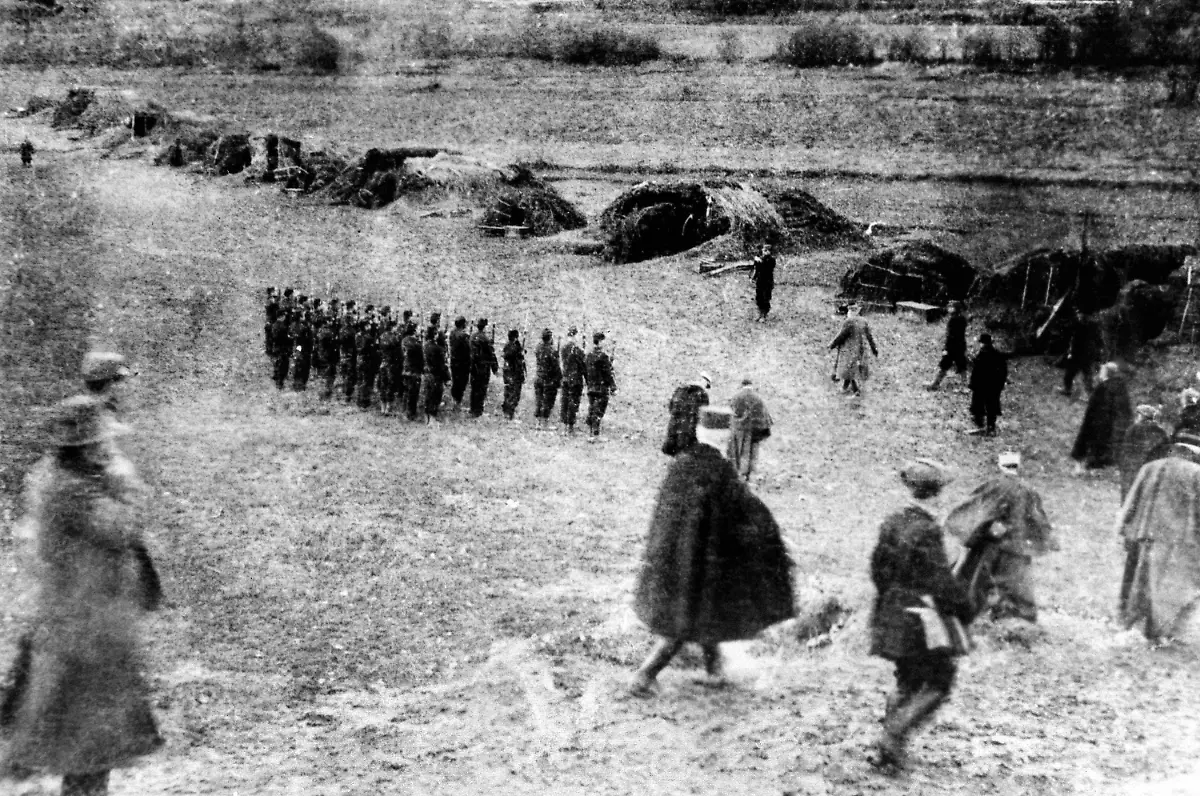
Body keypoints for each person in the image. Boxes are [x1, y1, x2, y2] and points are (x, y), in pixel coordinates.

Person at [1, 396, 163, 796]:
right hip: (85, 629)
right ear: (84, 446)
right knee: (89, 739)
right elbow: (122, 528)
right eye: (99, 442)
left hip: (80, 620)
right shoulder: (72, 489)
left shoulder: (59, 476)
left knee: (87, 738)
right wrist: (124, 479)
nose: (106, 448)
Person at [631, 406, 795, 696]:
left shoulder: (681, 464)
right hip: (701, 565)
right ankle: (645, 676)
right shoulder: (719, 470)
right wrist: (771, 538)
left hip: (674, 562)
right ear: (724, 436)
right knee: (683, 624)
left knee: (702, 615)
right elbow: (748, 512)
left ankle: (714, 670)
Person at [869, 459, 987, 771]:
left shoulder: (892, 521)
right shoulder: (927, 530)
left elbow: (877, 569)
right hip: (917, 616)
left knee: (907, 678)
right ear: (936, 494)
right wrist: (964, 607)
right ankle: (893, 736)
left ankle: (887, 750)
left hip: (891, 611)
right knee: (940, 679)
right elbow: (940, 581)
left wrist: (888, 600)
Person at [944, 452, 1056, 623]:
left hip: (993, 545)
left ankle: (969, 613)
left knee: (976, 582)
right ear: (1017, 467)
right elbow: (1039, 521)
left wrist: (972, 538)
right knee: (1017, 588)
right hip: (1018, 548)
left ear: (1000, 466)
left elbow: (979, 513)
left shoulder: (995, 486)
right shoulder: (1029, 490)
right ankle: (1017, 619)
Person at [1117, 456, 1200, 643]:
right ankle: (1159, 632)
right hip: (1178, 540)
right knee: (1168, 587)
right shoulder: (1196, 472)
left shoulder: (1150, 466)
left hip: (1144, 532)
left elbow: (1132, 499)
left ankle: (1135, 625)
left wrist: (1125, 526)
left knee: (1141, 582)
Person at [1070, 362, 1133, 472]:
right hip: (1115, 426)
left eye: (1101, 371)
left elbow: (1092, 409)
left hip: (1098, 423)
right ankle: (1097, 466)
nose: (1099, 373)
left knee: (1087, 441)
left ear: (1106, 374)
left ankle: (1084, 466)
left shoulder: (1102, 388)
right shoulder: (1121, 388)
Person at [727, 377, 772, 482]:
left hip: (742, 429)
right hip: (757, 429)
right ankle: (752, 474)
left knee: (743, 451)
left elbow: (733, 411)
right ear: (751, 386)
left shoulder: (737, 396)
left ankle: (742, 475)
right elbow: (765, 414)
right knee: (754, 452)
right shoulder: (758, 397)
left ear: (742, 385)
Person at [1120, 406, 1169, 498]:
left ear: (1141, 416)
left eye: (1137, 415)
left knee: (1130, 495)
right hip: (1153, 468)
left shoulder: (1133, 429)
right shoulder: (1161, 431)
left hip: (1134, 468)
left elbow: (1126, 450)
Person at [829, 304, 877, 396]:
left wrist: (831, 345)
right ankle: (844, 388)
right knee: (851, 369)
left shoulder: (849, 321)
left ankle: (856, 390)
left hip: (848, 349)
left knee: (850, 370)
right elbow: (869, 336)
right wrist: (874, 348)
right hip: (860, 349)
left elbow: (841, 336)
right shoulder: (863, 321)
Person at [661, 373, 711, 457]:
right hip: (690, 431)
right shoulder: (702, 395)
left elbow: (670, 407)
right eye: (708, 386)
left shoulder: (679, 391)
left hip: (675, 427)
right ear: (705, 382)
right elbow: (703, 415)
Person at [968, 333, 1008, 436]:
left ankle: (981, 427)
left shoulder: (982, 355)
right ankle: (991, 428)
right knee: (992, 406)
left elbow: (976, 372)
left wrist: (972, 384)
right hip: (994, 386)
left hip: (982, 385)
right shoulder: (997, 354)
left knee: (978, 405)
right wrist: (1001, 384)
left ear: (982, 343)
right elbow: (1003, 370)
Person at [926, 301, 968, 391]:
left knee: (945, 366)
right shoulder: (962, 319)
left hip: (952, 346)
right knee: (961, 367)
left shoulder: (953, 320)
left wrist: (946, 348)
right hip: (960, 346)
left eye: (951, 307)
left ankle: (935, 384)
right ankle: (964, 386)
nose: (949, 308)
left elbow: (950, 336)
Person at [1061, 310, 1101, 397]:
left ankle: (1068, 389)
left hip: (1078, 352)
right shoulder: (1094, 325)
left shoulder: (1078, 324)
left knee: (1071, 373)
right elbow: (1098, 340)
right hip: (1087, 352)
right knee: (1086, 374)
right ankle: (1090, 393)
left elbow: (1071, 336)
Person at [585, 332, 617, 439]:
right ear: (600, 342)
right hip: (601, 388)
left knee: (592, 409)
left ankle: (591, 434)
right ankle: (595, 436)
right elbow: (607, 374)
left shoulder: (589, 355)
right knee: (599, 412)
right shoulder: (603, 356)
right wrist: (613, 387)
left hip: (591, 387)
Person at [468, 318, 498, 418]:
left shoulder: (472, 337)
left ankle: (473, 409)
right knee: (481, 390)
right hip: (483, 368)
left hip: (473, 367)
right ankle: (478, 411)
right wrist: (495, 368)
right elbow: (491, 354)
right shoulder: (485, 339)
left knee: (474, 388)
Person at [532, 329, 562, 430]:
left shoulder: (538, 348)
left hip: (539, 377)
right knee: (548, 401)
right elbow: (556, 367)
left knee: (539, 400)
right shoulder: (552, 351)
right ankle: (545, 424)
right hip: (549, 379)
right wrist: (559, 379)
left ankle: (537, 423)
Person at [559, 327, 587, 432]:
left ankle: (564, 426)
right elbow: (583, 366)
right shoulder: (577, 350)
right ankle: (570, 426)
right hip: (575, 380)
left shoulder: (563, 348)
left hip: (566, 377)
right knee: (573, 403)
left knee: (565, 401)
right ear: (575, 336)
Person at [421, 327, 450, 423]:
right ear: (434, 335)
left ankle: (426, 419)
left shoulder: (425, 346)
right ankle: (432, 420)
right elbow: (442, 365)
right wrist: (447, 378)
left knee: (427, 397)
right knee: (435, 398)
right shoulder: (438, 349)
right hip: (436, 376)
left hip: (427, 375)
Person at [377, 319, 402, 415]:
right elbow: (398, 353)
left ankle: (382, 407)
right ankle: (388, 407)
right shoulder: (395, 337)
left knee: (383, 385)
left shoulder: (382, 336)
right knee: (390, 385)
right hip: (391, 364)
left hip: (383, 363)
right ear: (392, 327)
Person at [401, 322, 425, 421]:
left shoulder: (404, 340)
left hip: (406, 368)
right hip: (415, 371)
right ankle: (410, 414)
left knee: (406, 392)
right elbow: (421, 358)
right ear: (414, 330)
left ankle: (404, 411)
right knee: (413, 393)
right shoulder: (416, 343)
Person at [501, 329, 526, 421]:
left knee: (508, 391)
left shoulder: (508, 345)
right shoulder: (514, 347)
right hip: (514, 373)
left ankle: (507, 411)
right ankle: (509, 413)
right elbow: (517, 359)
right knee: (514, 393)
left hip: (507, 373)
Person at [448, 317, 472, 410]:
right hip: (463, 362)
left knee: (455, 381)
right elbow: (468, 350)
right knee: (462, 382)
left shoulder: (452, 333)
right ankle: (458, 401)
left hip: (454, 361)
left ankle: (455, 400)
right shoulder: (464, 335)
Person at [750, 243, 776, 323]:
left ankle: (764, 315)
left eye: (766, 251)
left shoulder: (771, 260)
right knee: (759, 298)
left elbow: (767, 268)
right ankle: (760, 314)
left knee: (766, 298)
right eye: (763, 251)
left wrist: (760, 261)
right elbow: (756, 269)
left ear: (770, 252)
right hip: (760, 281)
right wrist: (753, 278)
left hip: (767, 282)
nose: (764, 253)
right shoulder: (760, 259)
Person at [338, 304, 359, 403]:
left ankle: (345, 392)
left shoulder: (342, 330)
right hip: (350, 355)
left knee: (344, 373)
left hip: (343, 354)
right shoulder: (352, 331)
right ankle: (347, 395)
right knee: (350, 375)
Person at [269, 310, 292, 390]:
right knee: (283, 365)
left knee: (277, 363)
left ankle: (276, 377)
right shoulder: (282, 326)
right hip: (282, 348)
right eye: (284, 316)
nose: (285, 317)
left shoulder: (274, 325)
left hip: (276, 347)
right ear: (281, 316)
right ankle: (280, 383)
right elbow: (284, 338)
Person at [290, 311, 313, 391]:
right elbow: (301, 342)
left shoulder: (296, 326)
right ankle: (300, 384)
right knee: (302, 368)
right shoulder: (304, 329)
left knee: (300, 367)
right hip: (304, 351)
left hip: (302, 350)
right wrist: (299, 351)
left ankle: (299, 384)